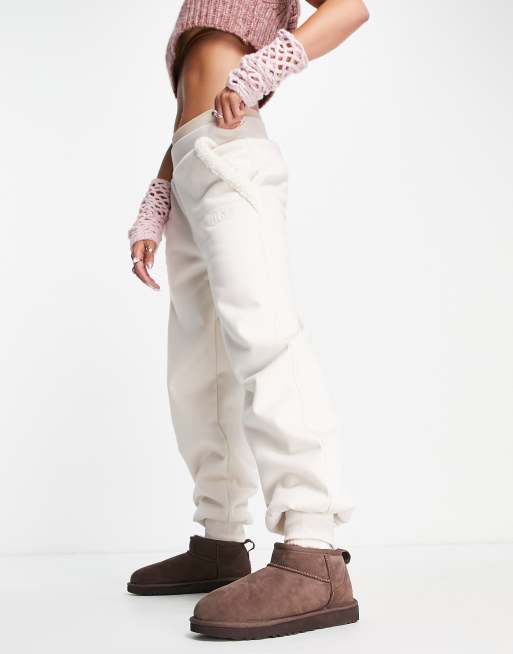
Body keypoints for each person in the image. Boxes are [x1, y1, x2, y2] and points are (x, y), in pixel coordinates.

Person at [127, 0, 370, 640]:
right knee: (197, 371)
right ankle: (220, 540)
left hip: (232, 156)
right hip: (192, 162)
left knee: (266, 340)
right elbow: (193, 99)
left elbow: (350, 9)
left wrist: (264, 70)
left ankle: (314, 552)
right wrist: (159, 193)